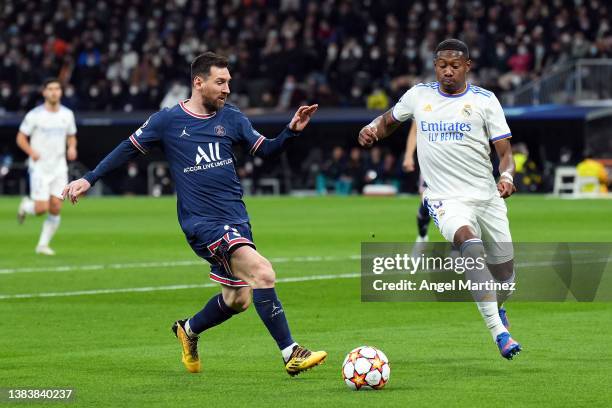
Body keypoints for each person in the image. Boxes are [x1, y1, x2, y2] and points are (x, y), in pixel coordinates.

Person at [63, 52, 327, 375]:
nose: (227, 88)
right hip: (202, 224)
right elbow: (126, 148)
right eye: (221, 82)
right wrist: (89, 178)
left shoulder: (233, 118)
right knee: (263, 273)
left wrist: (292, 130)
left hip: (236, 219)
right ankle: (291, 353)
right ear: (198, 83)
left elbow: (267, 150)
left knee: (237, 300)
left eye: (229, 82)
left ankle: (188, 330)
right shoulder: (167, 121)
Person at [358, 39, 521, 360]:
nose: (448, 71)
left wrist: (507, 177)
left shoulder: (485, 101)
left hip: (486, 197)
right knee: (470, 246)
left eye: (455, 66)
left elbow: (506, 154)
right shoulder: (419, 96)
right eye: (442, 65)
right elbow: (388, 121)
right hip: (444, 197)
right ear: (435, 66)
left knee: (506, 276)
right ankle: (500, 334)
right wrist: (371, 129)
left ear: (467, 67)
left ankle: (498, 307)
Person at [16, 78, 78, 256]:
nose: (54, 92)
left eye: (57, 89)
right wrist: (31, 151)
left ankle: (42, 245)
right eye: (50, 89)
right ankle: (26, 206)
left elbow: (71, 135)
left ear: (61, 92)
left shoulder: (67, 114)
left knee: (56, 206)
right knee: (41, 209)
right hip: (40, 167)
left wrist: (72, 147)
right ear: (44, 92)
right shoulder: (34, 115)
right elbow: (20, 138)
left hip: (59, 166)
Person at [402, 121, 431, 246]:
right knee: (426, 201)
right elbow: (414, 130)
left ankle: (458, 246)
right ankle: (422, 236)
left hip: (456, 162)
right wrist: (408, 156)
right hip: (430, 163)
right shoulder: (423, 103)